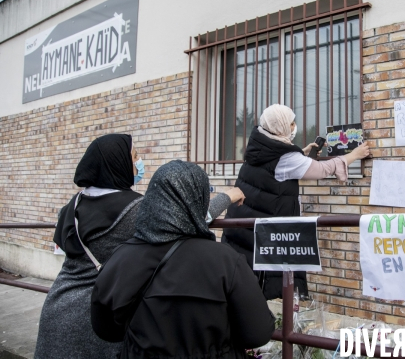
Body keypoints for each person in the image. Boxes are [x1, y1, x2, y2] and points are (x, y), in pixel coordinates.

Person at [91, 160, 274, 359]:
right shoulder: (226, 261)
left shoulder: (120, 258)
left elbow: (105, 330)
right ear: (200, 202)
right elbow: (258, 333)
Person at [222, 104, 370, 300]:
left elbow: (277, 164)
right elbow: (322, 170)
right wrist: (354, 155)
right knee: (269, 291)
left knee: (244, 287)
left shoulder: (260, 144)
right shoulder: (286, 158)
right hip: (263, 234)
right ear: (280, 126)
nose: (294, 126)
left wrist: (302, 152)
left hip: (242, 229)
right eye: (291, 123)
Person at [35, 134, 146, 359]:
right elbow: (183, 219)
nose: (139, 162)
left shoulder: (71, 205)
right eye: (135, 157)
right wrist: (229, 196)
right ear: (118, 163)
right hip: (97, 319)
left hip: (56, 310)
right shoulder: (137, 208)